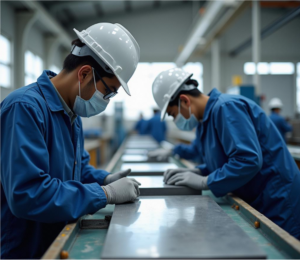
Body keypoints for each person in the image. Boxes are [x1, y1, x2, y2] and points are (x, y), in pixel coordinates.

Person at [0, 23, 141, 259]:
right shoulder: (24, 109)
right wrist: (105, 193)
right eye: (108, 91)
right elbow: (28, 193)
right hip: (25, 248)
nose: (106, 100)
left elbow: (77, 170)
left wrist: (104, 178)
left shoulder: (71, 113)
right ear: (84, 74)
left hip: (57, 238)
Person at [152, 68, 300, 239]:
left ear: (184, 100)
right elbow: (221, 161)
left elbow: (248, 160)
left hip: (279, 200)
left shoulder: (226, 107)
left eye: (172, 114)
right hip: (261, 197)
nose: (175, 120)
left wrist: (205, 181)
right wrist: (200, 171)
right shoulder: (204, 121)